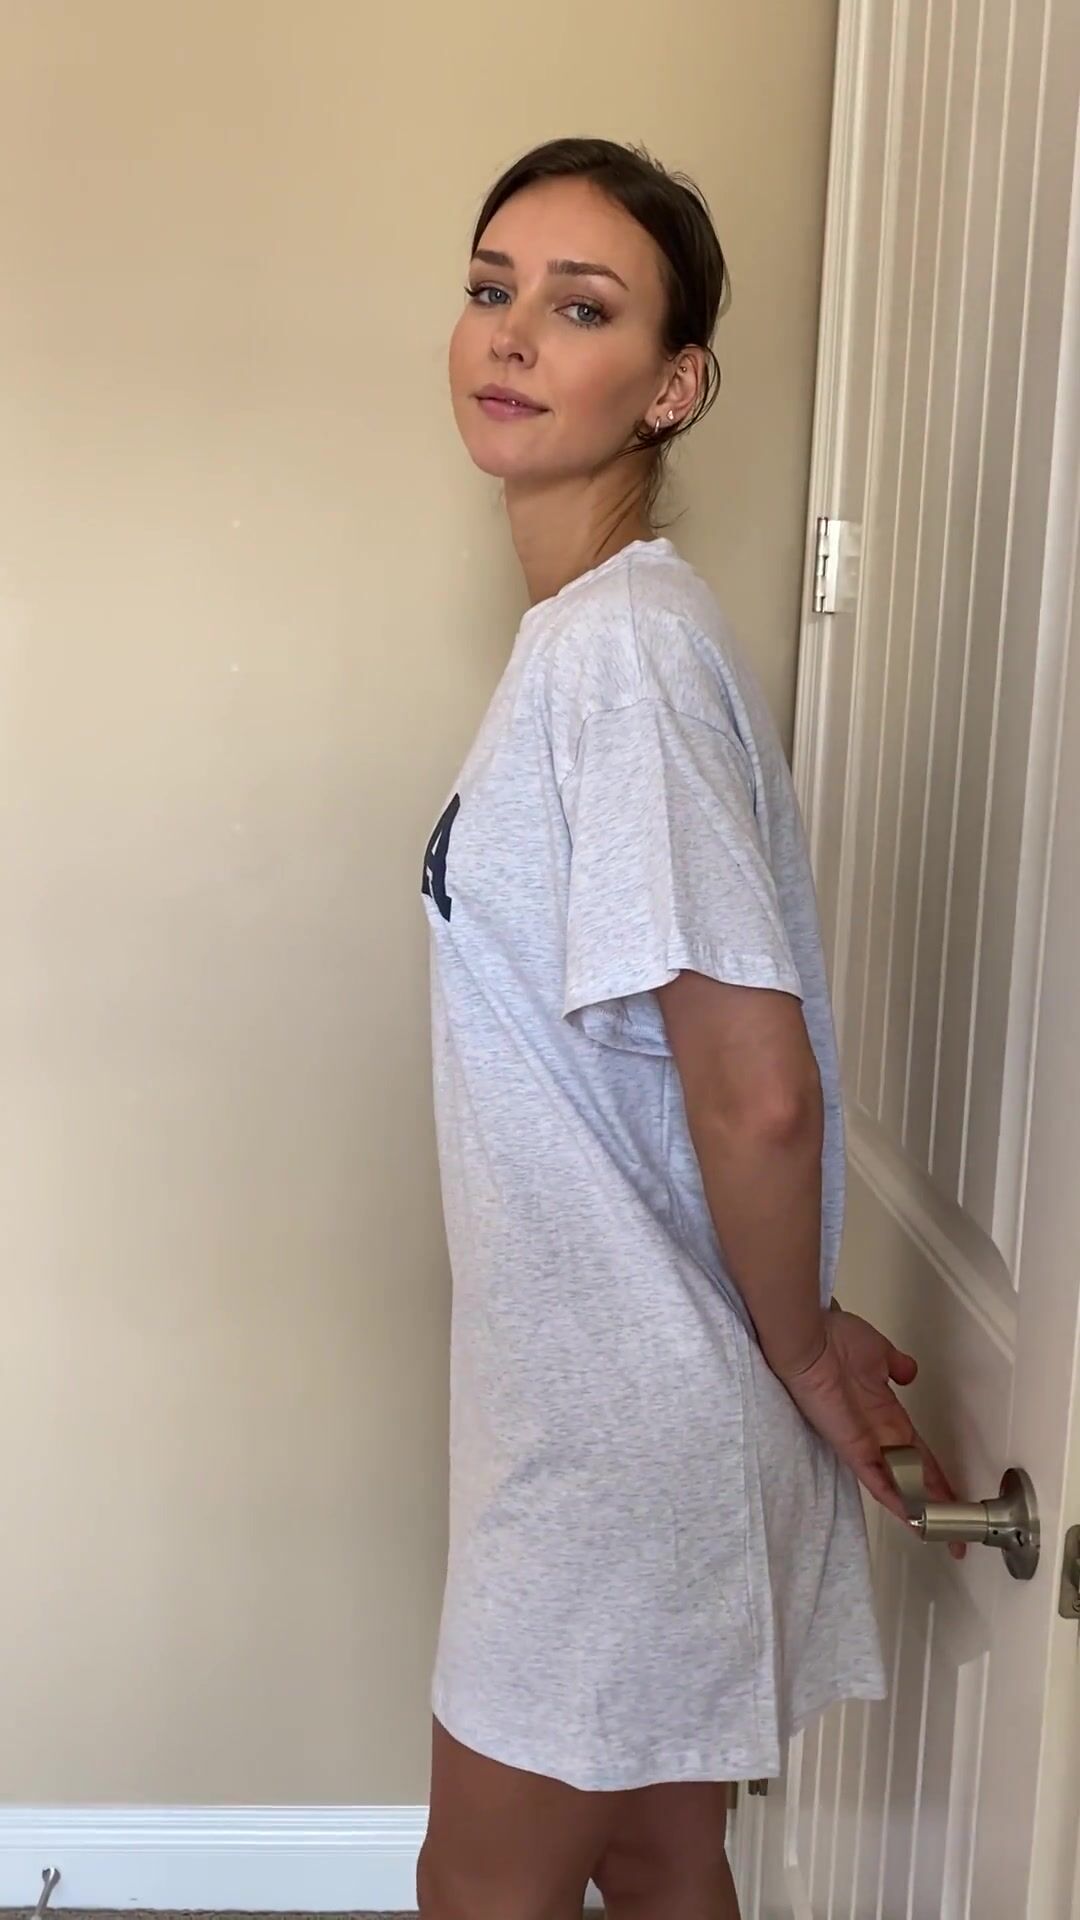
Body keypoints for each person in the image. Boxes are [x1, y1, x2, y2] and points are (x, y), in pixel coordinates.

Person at [416, 137, 955, 1920]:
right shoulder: (597, 635)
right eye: (491, 289)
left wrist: (801, 1351)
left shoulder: (621, 659)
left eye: (583, 308)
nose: (512, 335)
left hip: (622, 1429)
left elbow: (757, 1090)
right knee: (659, 1859)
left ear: (673, 385)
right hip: (613, 1394)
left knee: (478, 1891)